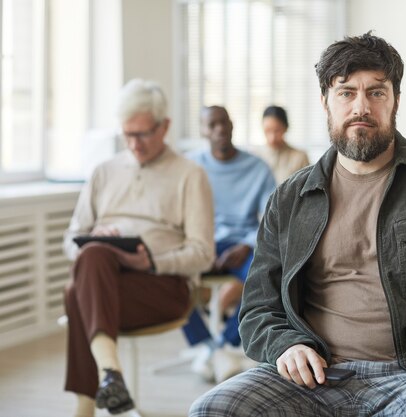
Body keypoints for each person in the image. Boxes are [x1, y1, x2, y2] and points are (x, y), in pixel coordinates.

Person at [190, 32, 406, 417]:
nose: (360, 107)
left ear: (395, 100)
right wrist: (284, 345)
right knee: (213, 409)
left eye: (376, 93)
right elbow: (257, 307)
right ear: (325, 103)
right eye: (346, 92)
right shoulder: (290, 198)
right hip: (313, 378)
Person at [63, 79, 215, 417]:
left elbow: (203, 253)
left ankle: (86, 404)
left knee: (76, 293)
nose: (135, 144)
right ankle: (111, 376)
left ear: (165, 126)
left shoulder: (190, 174)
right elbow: (71, 239)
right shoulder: (104, 172)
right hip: (106, 280)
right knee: (93, 254)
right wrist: (97, 239)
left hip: (163, 287)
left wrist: (150, 262)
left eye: (143, 134)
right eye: (127, 135)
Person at [184, 105, 276, 383]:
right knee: (170, 276)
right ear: (203, 130)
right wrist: (200, 244)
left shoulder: (257, 167)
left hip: (242, 244)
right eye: (212, 125)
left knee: (267, 278)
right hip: (202, 243)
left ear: (233, 126)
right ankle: (206, 345)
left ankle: (223, 343)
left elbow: (273, 216)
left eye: (224, 123)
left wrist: (248, 244)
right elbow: (177, 215)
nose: (219, 129)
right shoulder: (190, 167)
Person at [256, 105, 310, 183]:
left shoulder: (299, 157)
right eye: (267, 130)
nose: (272, 138)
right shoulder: (256, 156)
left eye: (277, 131)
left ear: (286, 128)